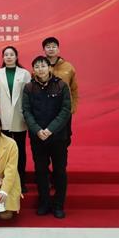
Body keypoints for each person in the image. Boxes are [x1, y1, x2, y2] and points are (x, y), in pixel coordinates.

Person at [22, 55, 71, 219]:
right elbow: (26, 111)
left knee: (59, 171)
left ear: (49, 68)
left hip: (58, 137)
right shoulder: (29, 88)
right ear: (33, 70)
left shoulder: (61, 85)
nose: (40, 69)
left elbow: (65, 111)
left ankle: (58, 205)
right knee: (41, 171)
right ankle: (44, 203)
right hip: (38, 138)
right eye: (37, 66)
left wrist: (50, 129)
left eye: (43, 66)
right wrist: (37, 130)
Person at [0, 46, 32, 192]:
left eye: (11, 54)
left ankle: (21, 182)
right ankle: (4, 182)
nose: (9, 57)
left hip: (19, 116)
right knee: (4, 151)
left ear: (16, 56)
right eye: (6, 55)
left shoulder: (25, 73)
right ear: (3, 57)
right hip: (2, 115)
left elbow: (29, 95)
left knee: (20, 149)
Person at [42, 36, 79, 141]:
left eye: (54, 46)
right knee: (46, 138)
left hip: (64, 109)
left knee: (64, 138)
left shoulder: (68, 67)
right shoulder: (39, 66)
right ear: (44, 50)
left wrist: (72, 107)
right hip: (44, 109)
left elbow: (74, 89)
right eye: (48, 47)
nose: (51, 49)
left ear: (58, 49)